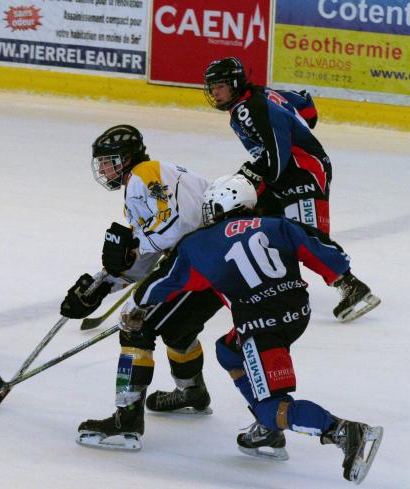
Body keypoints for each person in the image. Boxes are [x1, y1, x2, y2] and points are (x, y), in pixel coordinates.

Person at [122, 174, 383, 483]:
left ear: (217, 208)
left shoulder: (200, 243)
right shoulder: (276, 224)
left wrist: (138, 305)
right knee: (228, 351)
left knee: (272, 407)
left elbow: (166, 281)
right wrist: (341, 277)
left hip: (260, 327)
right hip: (297, 313)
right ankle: (267, 433)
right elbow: (326, 252)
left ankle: (341, 430)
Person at [59, 124, 223, 450]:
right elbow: (145, 255)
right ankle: (192, 392)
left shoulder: (143, 176)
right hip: (217, 261)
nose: (103, 169)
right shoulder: (149, 178)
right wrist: (102, 283)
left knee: (137, 326)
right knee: (177, 328)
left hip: (204, 263)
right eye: (101, 163)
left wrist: (133, 249)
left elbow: (176, 226)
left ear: (128, 157)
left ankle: (127, 421)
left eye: (109, 161)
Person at [203, 57, 380, 323]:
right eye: (212, 87)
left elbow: (276, 154)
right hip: (291, 170)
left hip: (302, 172)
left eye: (220, 86)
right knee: (266, 224)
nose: (215, 92)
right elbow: (307, 105)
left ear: (236, 83)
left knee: (304, 234)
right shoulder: (261, 95)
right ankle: (276, 283)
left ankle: (350, 284)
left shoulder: (251, 107)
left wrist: (258, 174)